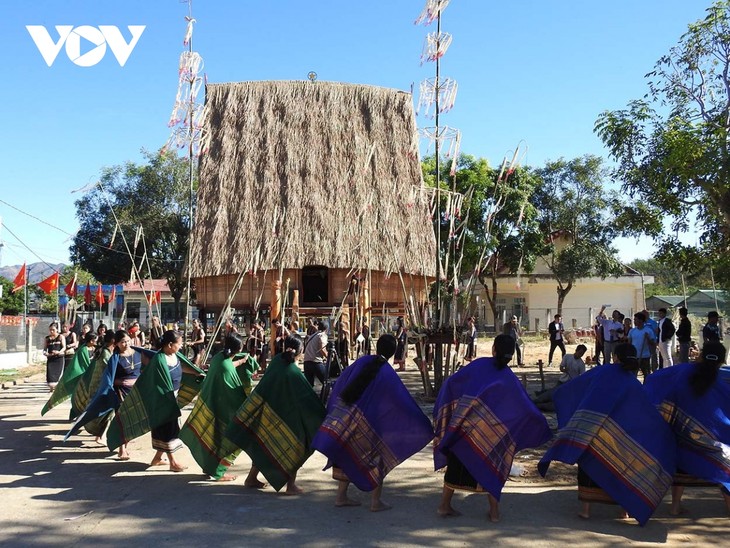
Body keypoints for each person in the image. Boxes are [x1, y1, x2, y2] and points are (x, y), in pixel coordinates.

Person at [538, 343, 675, 526]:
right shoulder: (633, 383)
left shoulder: (602, 372)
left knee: (587, 464)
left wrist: (561, 397)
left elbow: (575, 388)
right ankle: (624, 510)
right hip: (621, 438)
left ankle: (586, 510)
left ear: (616, 357)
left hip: (594, 431)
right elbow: (644, 413)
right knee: (624, 467)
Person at [435, 334, 551, 522]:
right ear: (511, 355)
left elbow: (452, 383)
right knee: (493, 470)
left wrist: (452, 408)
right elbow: (526, 408)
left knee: (455, 467)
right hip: (493, 435)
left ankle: (444, 505)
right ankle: (494, 513)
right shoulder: (510, 379)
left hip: (466, 429)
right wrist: (541, 427)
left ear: (493, 349)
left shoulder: (478, 366)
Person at [312, 334, 433, 511]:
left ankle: (341, 496)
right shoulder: (387, 373)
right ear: (393, 353)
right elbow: (400, 401)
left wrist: (334, 408)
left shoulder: (362, 362)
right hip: (372, 424)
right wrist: (421, 423)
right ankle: (375, 502)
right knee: (377, 459)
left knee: (347, 452)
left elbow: (341, 382)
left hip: (347, 417)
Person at [225, 335, 326, 494]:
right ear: (300, 352)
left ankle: (251, 478)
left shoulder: (278, 360)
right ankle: (291, 486)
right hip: (286, 416)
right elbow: (306, 397)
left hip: (267, 412)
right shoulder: (292, 371)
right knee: (297, 446)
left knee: (262, 444)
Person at [644, 341, 730, 517]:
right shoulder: (723, 386)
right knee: (726, 464)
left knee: (680, 460)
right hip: (712, 446)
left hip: (680, 438)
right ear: (721, 362)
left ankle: (675, 506)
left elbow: (654, 379)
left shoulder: (681, 371)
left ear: (700, 355)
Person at [103, 330, 192, 472]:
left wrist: (198, 373)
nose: (181, 346)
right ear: (170, 344)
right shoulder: (159, 360)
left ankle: (157, 458)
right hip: (161, 401)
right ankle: (173, 462)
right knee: (168, 430)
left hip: (171, 398)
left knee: (169, 430)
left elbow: (183, 367)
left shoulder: (174, 356)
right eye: (179, 343)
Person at [180, 334, 258, 481]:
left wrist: (241, 361)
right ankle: (218, 472)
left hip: (211, 403)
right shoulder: (226, 367)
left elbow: (228, 365)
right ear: (239, 348)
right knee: (231, 440)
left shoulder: (218, 358)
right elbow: (236, 393)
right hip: (222, 409)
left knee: (213, 439)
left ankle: (209, 467)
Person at [41, 332, 97, 416]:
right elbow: (82, 364)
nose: (96, 341)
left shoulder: (95, 349)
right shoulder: (82, 350)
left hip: (93, 377)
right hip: (83, 377)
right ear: (91, 340)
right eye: (95, 340)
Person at [110, 330, 142, 460]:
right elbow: (109, 378)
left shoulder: (139, 353)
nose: (126, 344)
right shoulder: (114, 359)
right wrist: (122, 381)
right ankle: (121, 448)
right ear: (117, 344)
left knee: (133, 419)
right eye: (122, 342)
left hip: (135, 392)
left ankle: (126, 444)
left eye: (128, 340)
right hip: (121, 392)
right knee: (122, 419)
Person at [533, 345, 587, 410]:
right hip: (561, 382)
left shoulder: (581, 364)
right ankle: (533, 401)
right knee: (547, 396)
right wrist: (564, 370)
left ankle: (538, 405)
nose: (580, 355)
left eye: (582, 354)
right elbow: (561, 368)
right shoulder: (567, 357)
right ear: (576, 350)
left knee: (555, 403)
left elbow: (583, 376)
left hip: (570, 385)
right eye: (580, 353)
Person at [628, 312, 657, 379]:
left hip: (645, 356)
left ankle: (646, 387)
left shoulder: (648, 331)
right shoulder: (632, 331)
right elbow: (629, 344)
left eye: (636, 320)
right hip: (634, 357)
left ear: (641, 320)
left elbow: (653, 343)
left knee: (646, 374)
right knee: (633, 375)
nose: (634, 321)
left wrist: (648, 338)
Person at [303, 321, 328, 386]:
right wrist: (328, 356)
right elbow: (322, 348)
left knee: (309, 385)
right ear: (326, 329)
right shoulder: (322, 335)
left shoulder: (312, 336)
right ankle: (326, 396)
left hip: (306, 362)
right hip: (316, 362)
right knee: (326, 382)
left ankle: (310, 396)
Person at [43, 322, 66, 392]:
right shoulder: (47, 338)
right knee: (50, 373)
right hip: (50, 358)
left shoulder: (61, 337)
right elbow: (44, 348)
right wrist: (46, 353)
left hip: (58, 358)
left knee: (57, 373)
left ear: (57, 329)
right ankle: (51, 388)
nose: (51, 331)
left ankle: (57, 387)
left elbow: (64, 347)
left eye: (53, 330)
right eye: (50, 330)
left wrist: (59, 352)